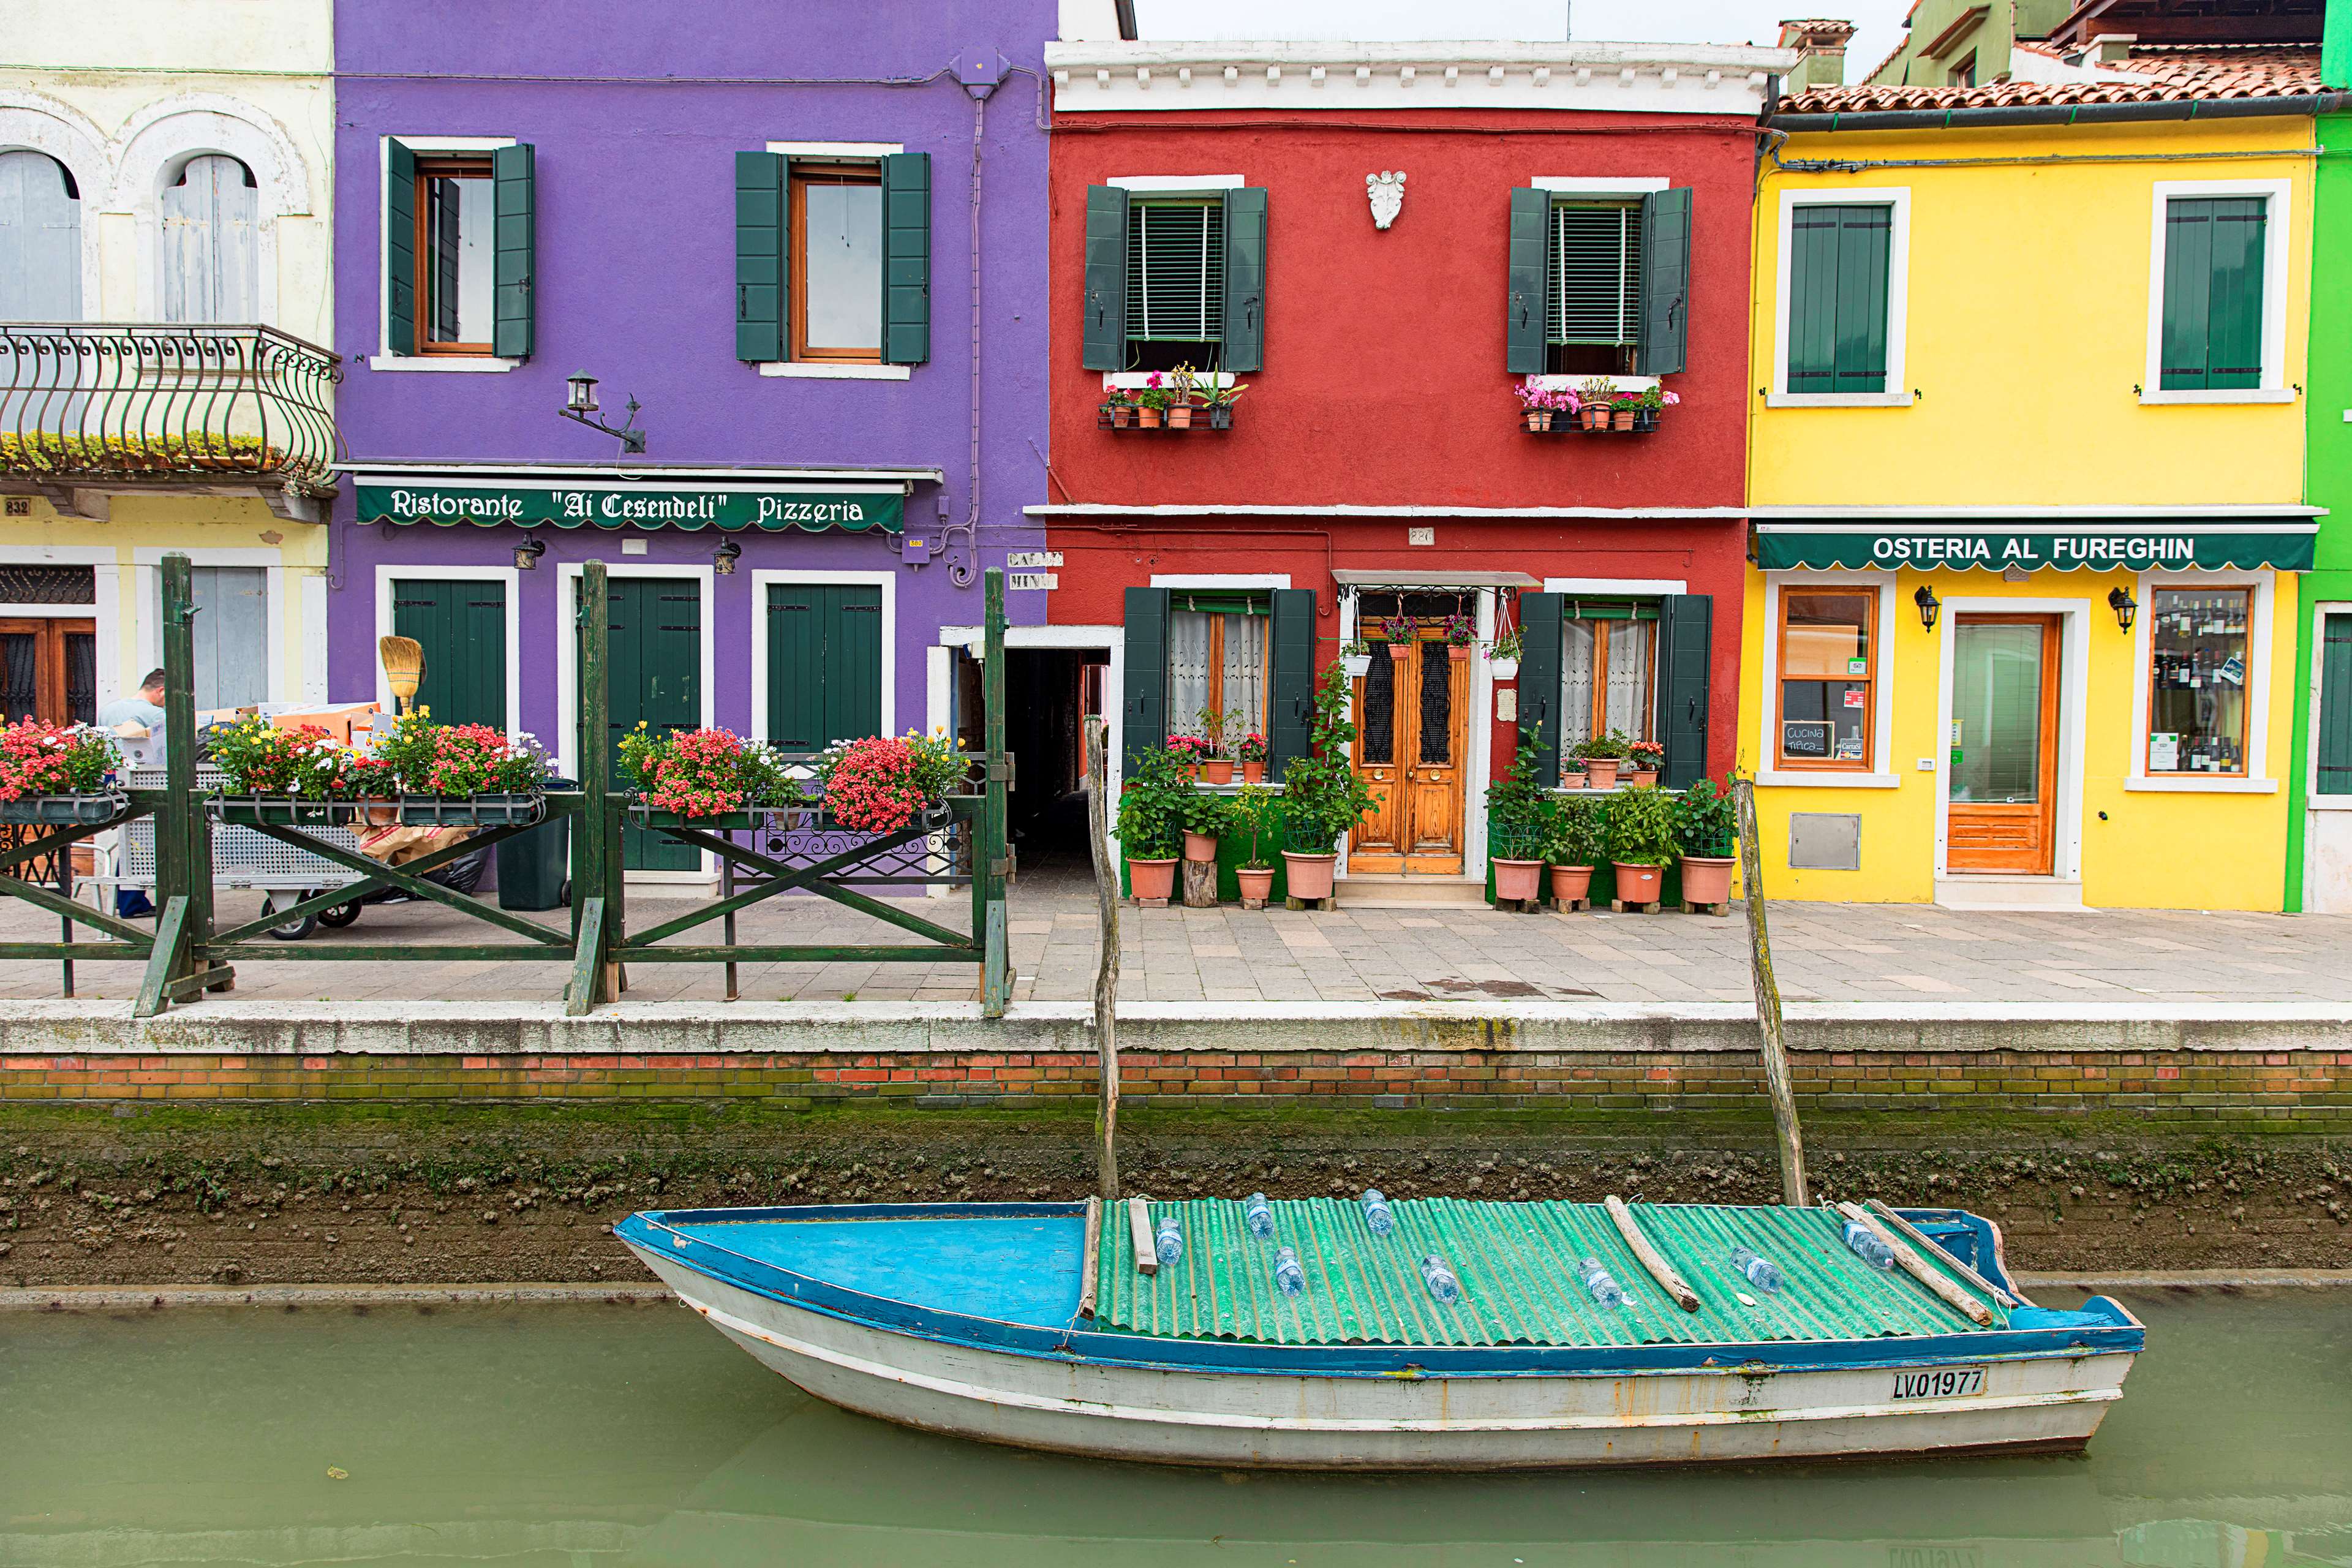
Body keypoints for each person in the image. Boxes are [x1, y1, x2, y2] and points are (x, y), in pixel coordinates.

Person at [94, 670, 167, 919]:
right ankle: (131, 902)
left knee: (129, 838)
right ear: (162, 691)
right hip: (146, 783)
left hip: (113, 782)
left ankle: (125, 899)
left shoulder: (108, 709)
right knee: (143, 841)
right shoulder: (157, 715)